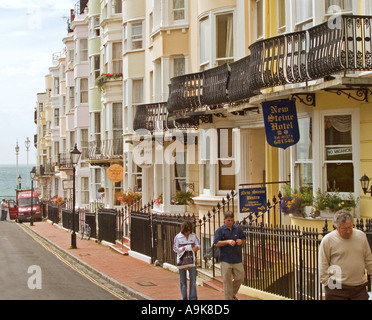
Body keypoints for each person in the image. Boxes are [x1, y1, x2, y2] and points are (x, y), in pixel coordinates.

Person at [319, 210, 372, 300]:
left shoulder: (361, 236)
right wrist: (327, 282)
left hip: (359, 287)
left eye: (350, 227)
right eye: (344, 229)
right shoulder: (328, 240)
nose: (348, 231)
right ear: (336, 227)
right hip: (335, 287)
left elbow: (368, 259)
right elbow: (323, 264)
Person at [214, 211, 246, 300]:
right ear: (224, 220)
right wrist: (227, 242)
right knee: (227, 280)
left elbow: (244, 239)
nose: (230, 222)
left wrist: (241, 241)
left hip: (237, 258)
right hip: (225, 258)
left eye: (232, 220)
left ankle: (232, 294)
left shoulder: (238, 229)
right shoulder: (220, 230)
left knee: (240, 276)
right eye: (228, 220)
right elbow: (216, 243)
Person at [173, 220, 200, 300]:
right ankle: (184, 297)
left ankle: (193, 298)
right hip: (182, 262)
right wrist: (183, 248)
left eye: (189, 230)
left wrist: (197, 247)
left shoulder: (193, 236)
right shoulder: (178, 237)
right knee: (183, 281)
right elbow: (175, 248)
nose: (188, 232)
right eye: (186, 231)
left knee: (193, 280)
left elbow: (198, 244)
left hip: (192, 261)